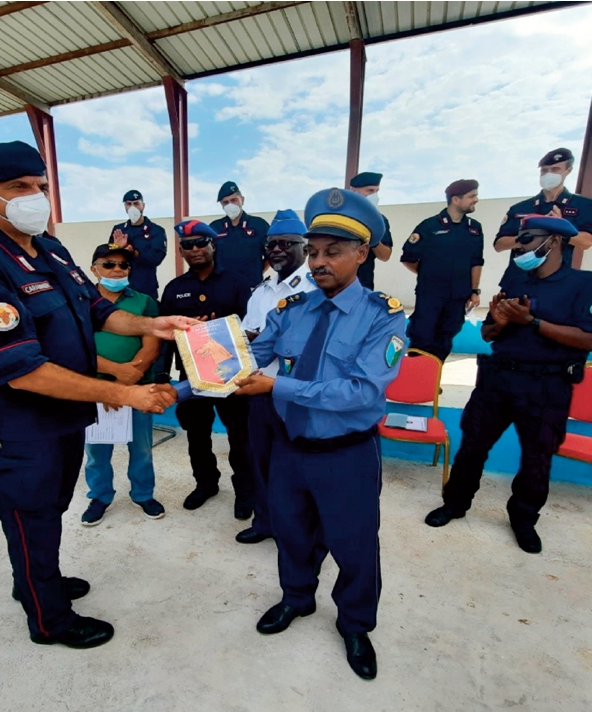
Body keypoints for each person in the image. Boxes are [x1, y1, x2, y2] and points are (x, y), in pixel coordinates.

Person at [0, 141, 192, 651]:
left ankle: (34, 580)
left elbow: (95, 311)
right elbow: (21, 370)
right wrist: (129, 394)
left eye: (41, 187)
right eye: (18, 189)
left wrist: (153, 323)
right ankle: (48, 619)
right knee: (30, 513)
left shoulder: (47, 247)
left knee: (45, 511)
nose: (34, 197)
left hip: (61, 418)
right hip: (16, 424)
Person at [234, 187, 406, 680]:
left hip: (346, 454)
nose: (318, 262)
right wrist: (177, 387)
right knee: (290, 532)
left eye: (332, 251)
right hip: (290, 449)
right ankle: (297, 598)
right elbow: (247, 359)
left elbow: (361, 393)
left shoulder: (384, 315)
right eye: (312, 252)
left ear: (361, 253)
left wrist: (276, 384)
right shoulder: (291, 310)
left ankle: (354, 623)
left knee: (353, 543)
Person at [425, 215, 592, 553]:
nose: (519, 246)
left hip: (546, 386)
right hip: (499, 378)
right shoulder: (515, 278)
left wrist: (533, 321)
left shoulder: (587, 284)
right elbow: (487, 333)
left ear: (554, 241)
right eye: (518, 239)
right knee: (472, 447)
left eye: (526, 238)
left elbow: (589, 339)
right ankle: (455, 504)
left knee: (537, 459)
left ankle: (523, 519)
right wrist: (498, 323)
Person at [160, 219, 254, 518]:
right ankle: (206, 484)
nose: (196, 249)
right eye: (188, 245)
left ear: (214, 245)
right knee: (196, 435)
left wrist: (215, 329)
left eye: (202, 243)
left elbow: (249, 329)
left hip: (232, 375)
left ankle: (245, 491)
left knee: (240, 437)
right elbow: (164, 337)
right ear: (181, 251)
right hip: (193, 376)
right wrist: (164, 375)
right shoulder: (175, 289)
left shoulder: (237, 283)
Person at [237, 209, 318, 545]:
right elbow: (246, 337)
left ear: (305, 247)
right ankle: (265, 521)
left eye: (287, 243)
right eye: (272, 244)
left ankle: (298, 531)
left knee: (298, 468)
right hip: (259, 391)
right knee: (261, 462)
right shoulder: (262, 290)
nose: (278, 249)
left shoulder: (316, 287)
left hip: (295, 393)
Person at [81, 243, 166, 526]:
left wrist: (131, 376)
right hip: (94, 387)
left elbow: (152, 344)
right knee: (96, 449)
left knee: (141, 447)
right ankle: (100, 496)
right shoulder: (81, 302)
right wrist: (116, 375)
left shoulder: (143, 301)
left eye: (123, 265)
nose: (117, 269)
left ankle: (143, 494)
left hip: (139, 387)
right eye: (109, 264)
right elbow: (75, 347)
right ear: (94, 268)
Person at [401, 179, 484, 361]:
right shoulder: (429, 226)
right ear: (456, 199)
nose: (476, 200)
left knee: (446, 337)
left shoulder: (474, 229)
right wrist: (429, 274)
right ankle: (418, 381)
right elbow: (408, 258)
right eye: (472, 196)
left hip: (458, 296)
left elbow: (476, 262)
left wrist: (474, 291)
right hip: (431, 294)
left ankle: (433, 380)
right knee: (422, 336)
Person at [495, 148, 592, 284]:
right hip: (518, 280)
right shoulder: (520, 208)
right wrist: (525, 238)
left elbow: (586, 242)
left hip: (557, 283)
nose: (548, 174)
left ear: (568, 170)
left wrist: (561, 227)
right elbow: (499, 245)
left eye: (555, 169)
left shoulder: (584, 206)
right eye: (544, 170)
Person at [107, 190, 168, 300]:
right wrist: (118, 247)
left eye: (136, 203)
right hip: (121, 288)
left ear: (143, 205)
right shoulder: (119, 229)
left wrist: (133, 252)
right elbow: (109, 252)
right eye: (128, 204)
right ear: (124, 206)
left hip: (145, 288)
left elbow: (156, 258)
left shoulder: (156, 230)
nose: (132, 207)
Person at [209, 181, 270, 286]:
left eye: (234, 200)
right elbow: (209, 259)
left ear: (242, 200)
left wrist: (257, 273)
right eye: (225, 202)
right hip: (222, 288)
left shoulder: (259, 225)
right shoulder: (215, 228)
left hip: (252, 288)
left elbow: (271, 255)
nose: (230, 205)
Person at [347, 172, 394, 290]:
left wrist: (373, 239)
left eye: (377, 191)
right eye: (370, 191)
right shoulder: (337, 216)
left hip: (363, 286)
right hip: (333, 286)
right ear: (353, 190)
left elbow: (385, 256)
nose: (374, 196)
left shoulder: (379, 220)